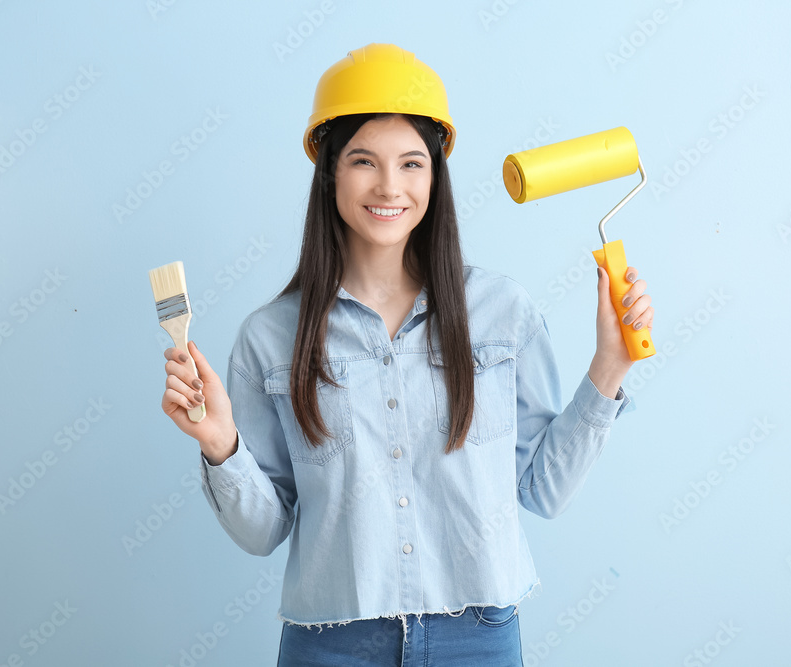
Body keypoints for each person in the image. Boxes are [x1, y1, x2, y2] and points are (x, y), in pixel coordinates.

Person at [159, 43, 654, 666]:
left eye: (412, 164)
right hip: (331, 646)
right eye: (364, 161)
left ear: (434, 176)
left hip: (477, 639)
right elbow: (263, 532)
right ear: (330, 172)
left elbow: (544, 490)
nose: (390, 186)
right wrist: (220, 445)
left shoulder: (503, 311)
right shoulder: (269, 338)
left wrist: (610, 365)